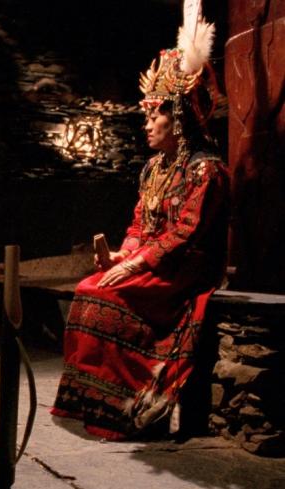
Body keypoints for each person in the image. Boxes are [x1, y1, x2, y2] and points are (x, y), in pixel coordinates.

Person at [51, 15, 230, 440]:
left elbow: (185, 233)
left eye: (154, 116)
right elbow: (139, 222)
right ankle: (92, 400)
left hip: (184, 270)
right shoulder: (153, 168)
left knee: (103, 297)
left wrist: (134, 265)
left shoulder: (207, 171)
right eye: (146, 116)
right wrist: (122, 254)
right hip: (150, 263)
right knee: (88, 289)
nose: (147, 125)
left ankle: (124, 405)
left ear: (179, 118)